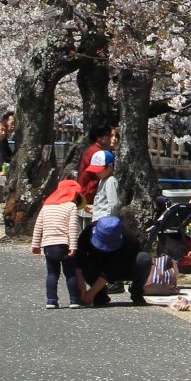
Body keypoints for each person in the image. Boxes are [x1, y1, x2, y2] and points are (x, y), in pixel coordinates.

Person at [30, 178, 86, 309]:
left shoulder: (47, 206)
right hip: (64, 245)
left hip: (49, 245)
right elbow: (72, 228)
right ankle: (74, 300)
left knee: (52, 274)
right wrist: (73, 246)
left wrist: (35, 245)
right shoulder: (71, 207)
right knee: (70, 273)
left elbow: (38, 226)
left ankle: (51, 300)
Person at [75, 123, 116, 204]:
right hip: (89, 195)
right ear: (99, 137)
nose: (111, 139)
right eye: (108, 135)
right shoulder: (98, 153)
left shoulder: (92, 150)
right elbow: (101, 174)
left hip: (84, 194)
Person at [86, 150, 122, 221]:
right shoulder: (102, 180)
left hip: (105, 222)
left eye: (99, 170)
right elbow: (102, 203)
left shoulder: (110, 181)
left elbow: (113, 205)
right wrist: (94, 209)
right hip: (98, 219)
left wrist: (109, 221)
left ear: (109, 167)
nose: (96, 173)